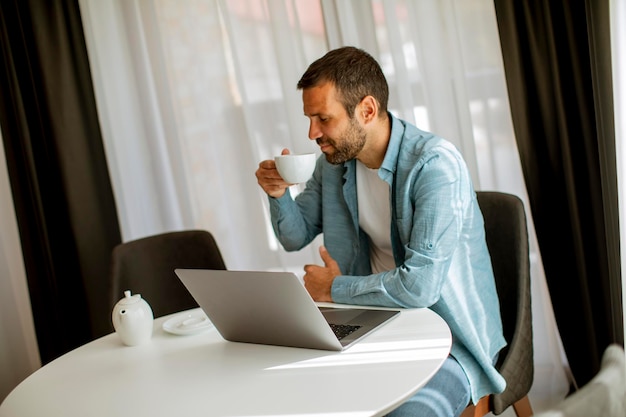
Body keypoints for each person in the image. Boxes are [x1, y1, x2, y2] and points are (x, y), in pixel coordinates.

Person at [255, 46, 506, 417]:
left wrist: (333, 289)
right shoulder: (333, 166)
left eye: (323, 118)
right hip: (368, 320)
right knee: (284, 396)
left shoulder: (435, 166)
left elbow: (420, 287)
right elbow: (295, 235)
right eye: (310, 119)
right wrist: (278, 195)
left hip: (449, 338)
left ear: (367, 110)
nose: (312, 133)